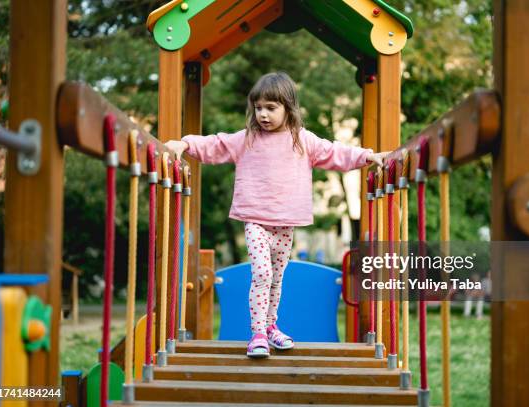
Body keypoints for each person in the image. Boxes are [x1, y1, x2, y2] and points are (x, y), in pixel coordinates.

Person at [166, 72, 388, 358]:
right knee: (261, 272)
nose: (263, 114)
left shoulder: (302, 141)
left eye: (271, 108)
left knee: (277, 278)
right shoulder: (246, 140)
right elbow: (215, 145)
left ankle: (271, 327)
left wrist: (369, 156)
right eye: (258, 108)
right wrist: (184, 144)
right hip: (256, 219)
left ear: (288, 108)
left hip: (285, 222)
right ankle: (257, 334)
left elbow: (336, 152)